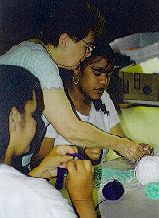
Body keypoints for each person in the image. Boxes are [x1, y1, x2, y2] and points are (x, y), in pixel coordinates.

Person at [0, 0, 152, 167]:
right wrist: (121, 145)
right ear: (64, 40)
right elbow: (71, 129)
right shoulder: (40, 60)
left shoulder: (28, 50)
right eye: (87, 47)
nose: (87, 54)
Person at [0, 65, 96, 218]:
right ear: (14, 117)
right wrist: (83, 199)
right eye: (32, 114)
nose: (36, 123)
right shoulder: (42, 199)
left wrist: (37, 173)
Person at [33, 41, 147, 166]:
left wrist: (136, 148)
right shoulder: (55, 105)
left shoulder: (104, 98)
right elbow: (38, 163)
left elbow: (120, 141)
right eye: (97, 73)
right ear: (77, 70)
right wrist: (79, 153)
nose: (104, 81)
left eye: (108, 75)